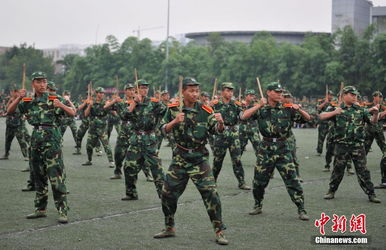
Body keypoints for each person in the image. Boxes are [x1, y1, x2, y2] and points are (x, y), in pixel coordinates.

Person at [154, 77, 228, 245]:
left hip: (199, 159)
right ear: (183, 92)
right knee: (167, 193)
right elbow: (162, 129)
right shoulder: (173, 109)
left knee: (211, 193)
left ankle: (219, 230)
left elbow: (216, 131)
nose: (195, 94)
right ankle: (169, 227)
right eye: (191, 91)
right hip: (180, 158)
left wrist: (221, 124)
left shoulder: (205, 110)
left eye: (197, 91)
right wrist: (174, 121)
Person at [7, 72, 74, 223]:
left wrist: (61, 104)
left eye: (44, 81)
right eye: (39, 82)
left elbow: (73, 112)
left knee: (56, 176)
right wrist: (18, 97)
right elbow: (10, 111)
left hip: (52, 140)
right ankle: (40, 209)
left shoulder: (53, 98)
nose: (42, 84)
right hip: (36, 139)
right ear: (33, 84)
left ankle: (63, 211)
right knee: (38, 176)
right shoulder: (29, 100)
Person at [241, 82, 310, 220]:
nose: (280, 94)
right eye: (276, 92)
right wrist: (259, 105)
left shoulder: (287, 109)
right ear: (268, 93)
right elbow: (243, 117)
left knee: (292, 179)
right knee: (259, 181)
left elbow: (307, 119)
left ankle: (301, 208)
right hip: (265, 147)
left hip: (282, 147)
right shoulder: (261, 109)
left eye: (281, 92)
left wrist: (299, 109)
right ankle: (258, 204)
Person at [320, 86, 381, 203]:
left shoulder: (360, 110)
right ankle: (331, 190)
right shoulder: (336, 108)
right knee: (338, 170)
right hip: (341, 145)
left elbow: (373, 122)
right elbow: (321, 116)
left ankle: (371, 193)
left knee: (363, 171)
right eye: (352, 95)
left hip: (357, 146)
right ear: (344, 95)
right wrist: (334, 112)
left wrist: (375, 114)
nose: (355, 97)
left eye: (356, 95)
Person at [121, 79, 166, 200]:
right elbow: (124, 116)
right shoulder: (131, 103)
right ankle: (131, 193)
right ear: (136, 89)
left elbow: (165, 111)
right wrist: (134, 103)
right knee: (128, 167)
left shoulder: (154, 103)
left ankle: (164, 195)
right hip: (135, 139)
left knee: (157, 168)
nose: (144, 90)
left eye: (146, 88)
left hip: (149, 139)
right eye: (142, 88)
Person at [104, 83, 152, 181]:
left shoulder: (140, 101)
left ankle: (148, 174)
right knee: (118, 153)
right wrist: (114, 100)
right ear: (125, 91)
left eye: (133, 89)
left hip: (135, 131)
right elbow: (106, 108)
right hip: (124, 131)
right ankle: (117, 172)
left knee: (141, 154)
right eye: (129, 89)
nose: (131, 91)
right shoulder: (121, 102)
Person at [211, 82, 250, 190]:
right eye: (227, 90)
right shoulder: (215, 104)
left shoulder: (236, 104)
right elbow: (209, 116)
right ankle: (212, 181)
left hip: (233, 134)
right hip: (220, 133)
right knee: (218, 160)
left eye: (231, 91)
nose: (230, 93)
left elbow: (242, 116)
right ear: (222, 91)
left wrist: (246, 109)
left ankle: (241, 182)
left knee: (237, 159)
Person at [82, 87, 115, 167]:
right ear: (96, 93)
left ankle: (111, 162)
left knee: (106, 145)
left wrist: (111, 103)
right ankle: (89, 160)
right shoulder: (92, 102)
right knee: (89, 146)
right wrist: (90, 105)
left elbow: (113, 112)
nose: (101, 94)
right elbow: (85, 114)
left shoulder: (106, 102)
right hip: (93, 128)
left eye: (103, 93)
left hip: (102, 128)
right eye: (100, 93)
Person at [0, 89, 30, 161]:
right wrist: (10, 101)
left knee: (22, 140)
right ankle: (6, 154)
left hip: (18, 124)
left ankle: (26, 155)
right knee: (8, 140)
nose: (13, 94)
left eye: (16, 92)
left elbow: (18, 110)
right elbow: (6, 109)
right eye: (12, 92)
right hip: (10, 123)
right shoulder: (10, 100)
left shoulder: (21, 101)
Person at [239, 89, 260, 157]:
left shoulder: (256, 105)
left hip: (253, 128)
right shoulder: (240, 105)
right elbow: (241, 116)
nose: (252, 97)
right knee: (240, 148)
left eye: (253, 95)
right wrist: (244, 106)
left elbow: (257, 116)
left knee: (258, 146)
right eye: (250, 95)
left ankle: (261, 162)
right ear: (246, 96)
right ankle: (237, 162)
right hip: (242, 128)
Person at [316, 91, 334, 156]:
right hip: (323, 123)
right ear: (326, 95)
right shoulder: (321, 101)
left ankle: (329, 151)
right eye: (329, 95)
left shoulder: (333, 101)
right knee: (321, 138)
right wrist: (324, 103)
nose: (331, 96)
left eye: (332, 95)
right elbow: (318, 108)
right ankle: (319, 151)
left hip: (330, 123)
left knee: (330, 139)